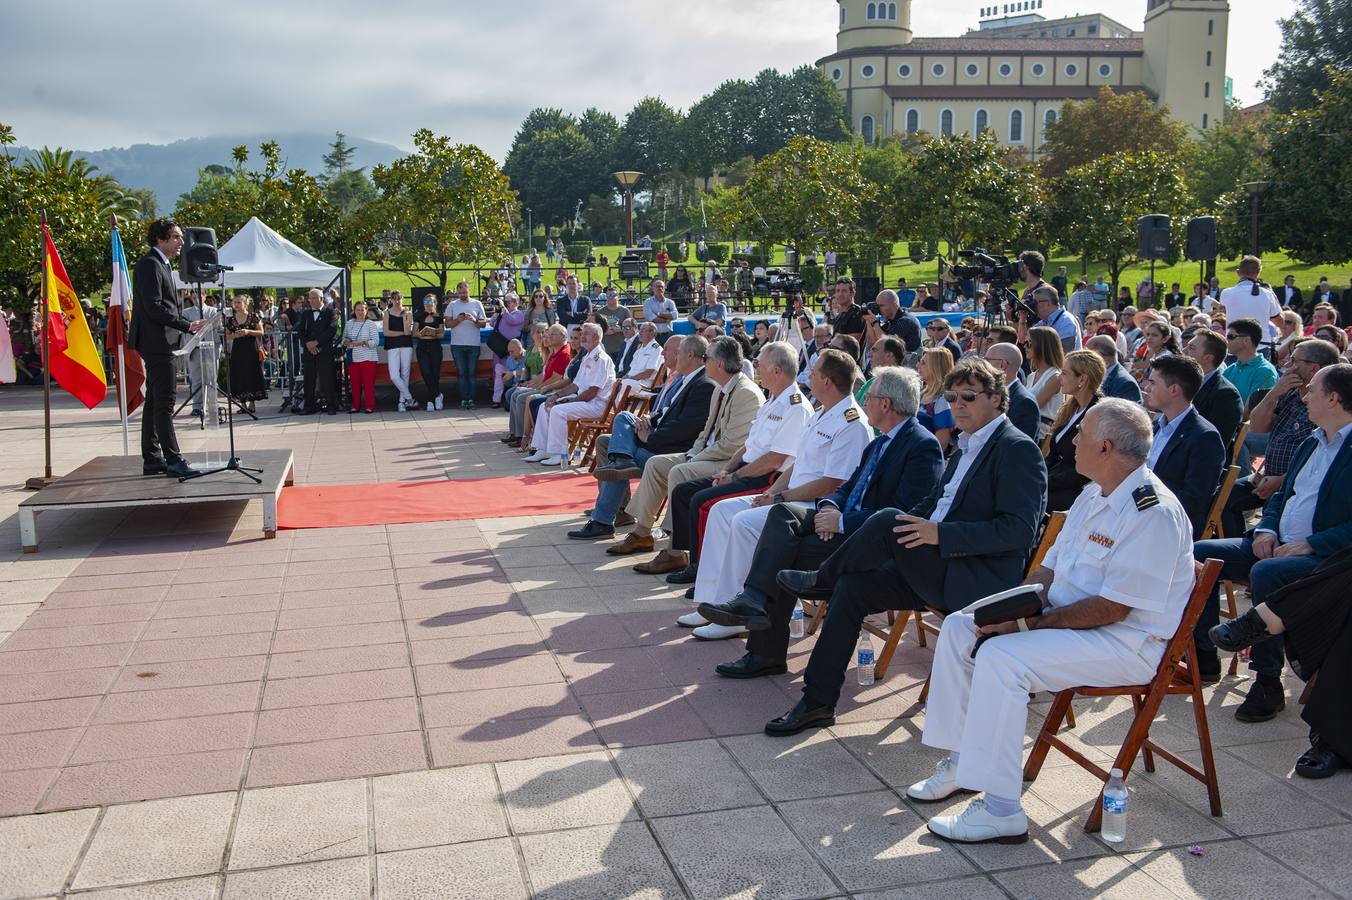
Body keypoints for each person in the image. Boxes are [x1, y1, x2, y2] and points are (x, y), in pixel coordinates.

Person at [912, 399, 1196, 844]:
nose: (1070, 443)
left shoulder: (1151, 512)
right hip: (1068, 622)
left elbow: (1113, 609)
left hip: (1124, 642)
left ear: (1104, 447)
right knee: (960, 627)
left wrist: (1025, 627)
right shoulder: (1093, 492)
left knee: (1003, 658)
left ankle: (1002, 809)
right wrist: (1012, 610)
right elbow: (1049, 569)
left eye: (1080, 435)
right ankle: (963, 762)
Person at [766, 358, 1048, 736]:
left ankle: (821, 578)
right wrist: (914, 529)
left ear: (997, 399)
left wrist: (940, 535)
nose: (958, 405)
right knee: (853, 587)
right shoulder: (965, 448)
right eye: (951, 397)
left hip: (975, 578)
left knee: (884, 520)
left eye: (968, 396)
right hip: (934, 566)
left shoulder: (1016, 449)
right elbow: (926, 506)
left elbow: (1018, 532)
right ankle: (816, 703)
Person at [698, 366, 946, 672]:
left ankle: (765, 650)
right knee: (782, 515)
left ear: (886, 405)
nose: (864, 400)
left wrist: (840, 523)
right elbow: (848, 488)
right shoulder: (881, 441)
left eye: (869, 396)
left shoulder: (921, 445)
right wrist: (830, 508)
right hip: (844, 524)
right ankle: (753, 599)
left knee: (784, 553)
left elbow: (901, 513)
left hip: (871, 543)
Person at [1195, 363, 1352, 716]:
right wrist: (1266, 529)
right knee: (1201, 553)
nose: (1305, 395)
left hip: (1326, 558)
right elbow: (1282, 497)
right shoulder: (1312, 442)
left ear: (1334, 397)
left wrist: (1313, 543)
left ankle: (1267, 682)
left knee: (1267, 574)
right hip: (1277, 542)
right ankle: (1203, 655)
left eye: (1312, 389)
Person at [686, 350, 871, 640]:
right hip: (789, 496)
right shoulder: (822, 411)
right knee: (722, 511)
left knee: (744, 522)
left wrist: (779, 498)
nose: (809, 375)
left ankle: (735, 612)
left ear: (828, 381)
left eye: (816, 372)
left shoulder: (851, 423)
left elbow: (831, 484)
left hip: (812, 505)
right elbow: (799, 464)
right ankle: (710, 599)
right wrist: (772, 492)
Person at [651, 342, 813, 591]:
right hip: (748, 470)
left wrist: (735, 476)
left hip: (767, 478)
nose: (756, 367)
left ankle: (707, 573)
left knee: (703, 502)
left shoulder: (795, 407)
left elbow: (775, 460)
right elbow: (748, 446)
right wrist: (727, 470)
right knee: (684, 492)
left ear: (777, 370)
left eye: (760, 363)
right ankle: (696, 563)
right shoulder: (773, 401)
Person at [607, 337, 764, 560]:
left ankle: (676, 548)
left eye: (707, 358)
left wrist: (694, 457)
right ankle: (642, 532)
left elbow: (731, 446)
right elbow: (705, 433)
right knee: (655, 464)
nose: (704, 362)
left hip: (727, 462)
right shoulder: (722, 389)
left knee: (680, 471)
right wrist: (693, 454)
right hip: (707, 455)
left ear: (719, 364)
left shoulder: (745, 392)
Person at [568, 336, 715, 539]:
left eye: (676, 352)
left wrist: (649, 438)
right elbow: (665, 411)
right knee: (610, 438)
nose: (663, 354)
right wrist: (647, 419)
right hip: (659, 441)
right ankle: (619, 505)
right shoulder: (685, 379)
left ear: (690, 355)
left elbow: (686, 429)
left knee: (618, 442)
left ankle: (603, 519)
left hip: (668, 453)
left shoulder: (703, 384)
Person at [1220, 340, 1341, 580]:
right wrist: (1275, 392)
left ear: (1313, 368)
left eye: (1294, 360)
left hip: (1288, 485)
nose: (1286, 364)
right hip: (1267, 480)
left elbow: (1321, 470)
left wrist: (1281, 481)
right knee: (1224, 497)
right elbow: (1257, 426)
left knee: (1266, 565)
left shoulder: (1328, 416)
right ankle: (1245, 564)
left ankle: (1253, 569)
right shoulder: (1288, 395)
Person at [128, 219, 207, 476]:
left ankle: (152, 458)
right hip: (156, 341)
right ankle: (173, 460)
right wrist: (186, 324)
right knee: (165, 402)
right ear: (160, 239)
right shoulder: (150, 264)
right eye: (175, 237)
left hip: (161, 340)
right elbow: (154, 307)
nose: (181, 242)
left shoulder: (162, 263)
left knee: (154, 401)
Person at [1141, 355, 1227, 537]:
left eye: (1153, 383)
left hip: (1166, 527)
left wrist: (1139, 507)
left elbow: (1192, 501)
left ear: (1174, 390)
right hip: (1141, 513)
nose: (1147, 388)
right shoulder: (1157, 426)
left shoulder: (1204, 437)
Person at [522, 323, 616, 466]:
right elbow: (574, 385)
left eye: (586, 334)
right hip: (585, 400)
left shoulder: (601, 359)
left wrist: (570, 402)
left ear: (596, 338)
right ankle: (544, 449)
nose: (582, 337)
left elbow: (592, 392)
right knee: (545, 406)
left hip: (596, 404)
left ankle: (560, 454)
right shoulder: (588, 356)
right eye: (582, 334)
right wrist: (557, 396)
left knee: (558, 411)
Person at [1042, 349, 1104, 512]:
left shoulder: (1099, 414)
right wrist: (1039, 475)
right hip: (1055, 481)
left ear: (1082, 379)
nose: (1059, 378)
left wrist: (1046, 481)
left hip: (1076, 490)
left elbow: (1085, 471)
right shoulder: (1071, 408)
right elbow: (1054, 454)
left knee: (1026, 499)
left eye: (1064, 373)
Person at [505, 324, 569, 446]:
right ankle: (516, 433)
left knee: (522, 397)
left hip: (555, 389)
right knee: (515, 394)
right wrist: (530, 383)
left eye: (551, 335)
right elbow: (544, 374)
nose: (548, 338)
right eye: (548, 335)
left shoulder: (563, 353)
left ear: (563, 336)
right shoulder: (553, 352)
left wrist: (540, 386)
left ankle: (526, 437)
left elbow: (556, 377)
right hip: (546, 386)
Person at [1185, 329, 1244, 456]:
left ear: (1207, 358)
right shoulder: (1183, 382)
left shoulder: (1226, 395)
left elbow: (1212, 446)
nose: (1184, 351)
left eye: (1191, 348)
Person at [1220, 256, 1283, 353]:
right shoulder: (1267, 294)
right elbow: (1279, 322)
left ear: (1238, 272)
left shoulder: (1226, 293)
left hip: (1234, 345)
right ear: (1258, 273)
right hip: (1260, 346)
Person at [983, 342, 1041, 442]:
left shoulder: (1024, 402)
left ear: (1002, 365)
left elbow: (1019, 447)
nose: (983, 365)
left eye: (987, 361)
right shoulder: (993, 393)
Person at [442, 281, 487, 410]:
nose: (463, 295)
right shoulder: (452, 304)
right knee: (461, 373)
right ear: (457, 292)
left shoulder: (477, 304)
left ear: (469, 291)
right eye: (460, 293)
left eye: (465, 292)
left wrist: (474, 320)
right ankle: (463, 399)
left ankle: (471, 399)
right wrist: (458, 320)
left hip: (473, 343)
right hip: (457, 344)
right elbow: (447, 324)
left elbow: (483, 324)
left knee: (472, 373)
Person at [1219, 318, 1279, 407]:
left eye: (1230, 336)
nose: (1226, 340)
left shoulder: (1265, 371)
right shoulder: (1231, 369)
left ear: (1246, 340)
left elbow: (1253, 411)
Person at [297, 288, 338, 416]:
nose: (312, 300)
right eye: (311, 298)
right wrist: (308, 344)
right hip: (309, 352)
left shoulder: (330, 312)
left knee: (327, 379)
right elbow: (301, 331)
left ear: (321, 299)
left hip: (325, 351)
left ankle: (331, 405)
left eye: (315, 298)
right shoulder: (306, 314)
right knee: (309, 379)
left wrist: (316, 342)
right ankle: (309, 406)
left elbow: (331, 330)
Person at [1023, 326, 1065, 441]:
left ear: (1042, 346)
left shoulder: (1055, 377)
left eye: (1029, 343)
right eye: (1025, 342)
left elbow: (1033, 407)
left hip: (1041, 434)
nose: (1025, 346)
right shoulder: (1031, 377)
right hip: (1027, 428)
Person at [343, 299, 380, 414]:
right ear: (354, 310)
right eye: (358, 309)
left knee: (368, 384)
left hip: (368, 358)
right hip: (353, 357)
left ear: (366, 311)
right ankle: (355, 406)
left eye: (362, 309)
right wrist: (346, 342)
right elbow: (344, 338)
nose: (360, 312)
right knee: (354, 384)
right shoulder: (349, 323)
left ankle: (370, 406)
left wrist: (363, 342)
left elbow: (376, 342)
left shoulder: (371, 324)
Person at [490, 293, 526, 408]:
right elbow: (492, 323)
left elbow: (511, 321)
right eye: (504, 302)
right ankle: (496, 399)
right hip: (499, 348)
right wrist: (497, 313)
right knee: (498, 373)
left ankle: (510, 397)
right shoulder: (503, 313)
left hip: (512, 350)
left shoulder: (519, 314)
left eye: (508, 301)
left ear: (516, 302)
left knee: (513, 374)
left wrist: (503, 309)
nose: (505, 304)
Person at [916, 347, 955, 451]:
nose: (918, 365)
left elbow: (941, 444)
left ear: (936, 367)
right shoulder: (922, 393)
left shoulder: (943, 400)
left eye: (923, 363)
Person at [1086, 334, 1141, 404]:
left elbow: (1122, 414)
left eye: (1089, 357)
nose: (1084, 361)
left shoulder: (1125, 384)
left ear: (1104, 360)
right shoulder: (1100, 375)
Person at [382, 291, 414, 412]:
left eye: (399, 298)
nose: (397, 301)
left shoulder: (408, 313)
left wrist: (405, 318)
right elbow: (386, 332)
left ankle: (402, 402)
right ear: (391, 300)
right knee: (394, 375)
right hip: (392, 346)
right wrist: (401, 333)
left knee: (405, 374)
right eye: (394, 299)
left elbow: (407, 331)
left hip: (406, 345)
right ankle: (410, 398)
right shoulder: (387, 313)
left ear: (403, 299)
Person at [413, 294, 445, 411]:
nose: (428, 305)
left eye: (430, 302)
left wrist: (434, 333)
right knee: (426, 372)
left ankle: (431, 400)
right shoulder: (419, 316)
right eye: (426, 303)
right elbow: (414, 333)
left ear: (434, 303)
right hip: (422, 347)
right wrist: (423, 333)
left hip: (435, 346)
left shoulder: (438, 317)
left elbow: (442, 334)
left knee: (435, 374)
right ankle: (437, 395)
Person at [1030, 284, 1082, 353]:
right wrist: (1022, 318)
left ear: (1048, 303)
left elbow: (1066, 353)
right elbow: (1024, 340)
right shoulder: (1045, 321)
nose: (1034, 306)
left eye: (1035, 302)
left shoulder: (1066, 321)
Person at [617, 322, 663, 394]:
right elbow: (631, 370)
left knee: (623, 385)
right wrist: (621, 379)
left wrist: (630, 379)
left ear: (652, 333)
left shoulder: (656, 349)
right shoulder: (639, 349)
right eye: (640, 330)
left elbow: (648, 373)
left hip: (643, 384)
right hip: (632, 381)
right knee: (614, 384)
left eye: (643, 330)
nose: (639, 333)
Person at [824, 278, 865, 344]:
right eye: (838, 290)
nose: (840, 294)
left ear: (852, 293)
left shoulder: (857, 313)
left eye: (844, 291)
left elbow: (852, 343)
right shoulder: (840, 316)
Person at [595, 291, 632, 362]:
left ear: (617, 297)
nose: (611, 298)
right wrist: (605, 331)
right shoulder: (600, 312)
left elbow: (631, 328)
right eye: (609, 296)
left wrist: (620, 329)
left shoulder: (625, 311)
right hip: (605, 349)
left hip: (621, 348)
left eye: (613, 296)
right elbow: (596, 329)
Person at [644, 279, 679, 344]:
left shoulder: (670, 302)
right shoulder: (647, 302)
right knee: (654, 354)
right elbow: (652, 319)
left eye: (661, 286)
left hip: (667, 335)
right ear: (653, 288)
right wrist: (666, 320)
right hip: (653, 337)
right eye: (657, 286)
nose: (659, 288)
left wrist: (659, 314)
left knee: (667, 354)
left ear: (664, 288)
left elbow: (675, 315)